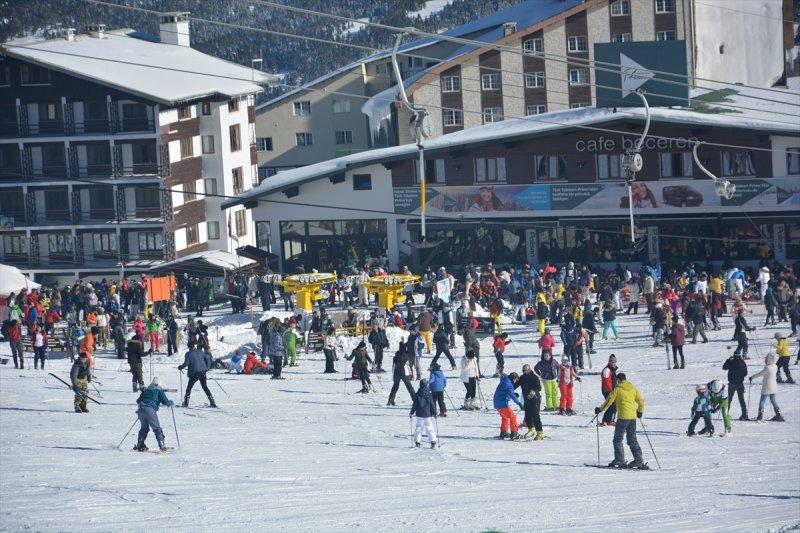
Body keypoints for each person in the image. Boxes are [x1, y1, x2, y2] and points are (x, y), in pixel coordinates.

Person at [594, 372, 645, 468]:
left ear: (619, 380)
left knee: (618, 439)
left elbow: (609, 401)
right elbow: (641, 401)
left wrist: (600, 409)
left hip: (623, 417)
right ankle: (638, 459)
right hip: (633, 417)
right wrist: (639, 412)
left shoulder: (617, 389)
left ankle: (620, 459)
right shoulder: (633, 388)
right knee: (632, 439)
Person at [134, 376, 174, 452]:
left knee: (144, 428)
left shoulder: (146, 389)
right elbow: (165, 401)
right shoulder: (159, 390)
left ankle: (140, 444)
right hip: (150, 410)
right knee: (157, 428)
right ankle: (162, 446)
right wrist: (171, 402)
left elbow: (138, 400)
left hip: (141, 410)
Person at [178, 341, 217, 408]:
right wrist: (207, 368)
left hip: (194, 373)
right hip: (202, 372)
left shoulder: (188, 353)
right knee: (205, 387)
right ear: (194, 346)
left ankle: (186, 403)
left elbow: (186, 363)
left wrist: (180, 367)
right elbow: (208, 358)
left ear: (188, 347)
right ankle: (212, 402)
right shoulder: (200, 351)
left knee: (189, 388)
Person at [749, 353, 783, 421]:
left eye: (767, 358)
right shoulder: (775, 366)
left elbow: (760, 374)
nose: (765, 359)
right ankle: (778, 415)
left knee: (762, 400)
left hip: (767, 386)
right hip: (774, 386)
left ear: (770, 359)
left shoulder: (767, 367)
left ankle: (760, 416)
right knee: (773, 400)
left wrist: (752, 377)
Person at [516, 364, 543, 440]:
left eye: (525, 370)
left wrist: (533, 391)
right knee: (528, 416)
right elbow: (515, 385)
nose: (524, 372)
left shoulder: (534, 377)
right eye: (523, 371)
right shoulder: (522, 378)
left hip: (535, 400)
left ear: (529, 370)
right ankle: (531, 429)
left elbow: (539, 387)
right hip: (527, 400)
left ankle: (540, 432)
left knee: (536, 417)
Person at [493, 372, 523, 440]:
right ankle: (514, 433)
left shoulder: (504, 381)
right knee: (513, 417)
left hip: (497, 403)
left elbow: (504, 392)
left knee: (505, 417)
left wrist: (514, 394)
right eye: (516, 380)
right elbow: (512, 395)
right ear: (514, 379)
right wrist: (519, 403)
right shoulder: (508, 384)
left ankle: (504, 432)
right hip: (502, 404)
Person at [410, 379, 438, 449]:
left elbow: (415, 405)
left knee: (419, 428)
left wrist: (411, 412)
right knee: (429, 428)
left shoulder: (417, 394)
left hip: (419, 414)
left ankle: (417, 442)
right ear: (426, 385)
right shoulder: (429, 394)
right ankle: (433, 442)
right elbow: (432, 404)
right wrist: (435, 413)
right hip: (427, 414)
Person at [722, 351, 749, 421]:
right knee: (742, 400)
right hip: (740, 384)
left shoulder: (731, 362)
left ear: (734, 356)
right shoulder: (743, 362)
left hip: (732, 384)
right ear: (740, 356)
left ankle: (726, 414)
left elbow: (724, 367)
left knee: (728, 400)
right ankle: (744, 414)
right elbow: (746, 373)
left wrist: (728, 360)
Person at [600, 354, 618, 426]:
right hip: (608, 390)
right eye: (611, 361)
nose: (613, 363)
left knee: (611, 405)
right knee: (613, 405)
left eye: (614, 361)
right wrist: (611, 391)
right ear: (609, 362)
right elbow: (606, 381)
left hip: (612, 390)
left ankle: (606, 420)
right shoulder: (607, 370)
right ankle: (610, 420)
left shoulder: (613, 369)